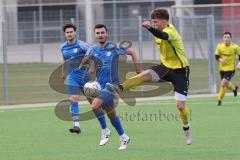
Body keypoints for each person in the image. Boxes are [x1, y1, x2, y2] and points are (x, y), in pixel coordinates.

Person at [107, 8, 192, 145]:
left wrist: (149, 28)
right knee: (144, 75)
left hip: (180, 71)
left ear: (164, 21)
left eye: (156, 21)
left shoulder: (171, 32)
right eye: (153, 21)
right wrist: (152, 28)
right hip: (165, 67)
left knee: (181, 106)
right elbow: (159, 35)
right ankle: (119, 88)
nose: (154, 23)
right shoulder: (159, 31)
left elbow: (163, 36)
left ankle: (186, 129)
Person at [83, 24, 141, 150]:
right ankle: (124, 136)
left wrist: (138, 70)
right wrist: (90, 71)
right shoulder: (92, 50)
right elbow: (91, 65)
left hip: (112, 85)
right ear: (95, 35)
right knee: (111, 114)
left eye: (102, 32)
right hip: (101, 85)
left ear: (106, 33)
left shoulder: (114, 48)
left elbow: (132, 52)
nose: (100, 35)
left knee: (94, 105)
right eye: (97, 33)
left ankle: (104, 130)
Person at [60, 23, 91, 134]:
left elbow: (92, 53)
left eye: (71, 32)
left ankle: (105, 121)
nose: (69, 34)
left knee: (93, 102)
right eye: (67, 32)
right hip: (72, 76)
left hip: (85, 76)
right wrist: (63, 73)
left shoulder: (82, 45)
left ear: (75, 32)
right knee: (73, 99)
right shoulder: (63, 47)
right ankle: (76, 125)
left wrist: (88, 64)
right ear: (65, 34)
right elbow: (64, 60)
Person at [215, 32, 240, 106]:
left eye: (228, 37)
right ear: (223, 39)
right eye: (225, 37)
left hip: (230, 69)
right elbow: (216, 56)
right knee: (225, 83)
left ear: (231, 38)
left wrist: (239, 64)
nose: (226, 39)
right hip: (222, 69)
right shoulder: (219, 46)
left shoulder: (235, 47)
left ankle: (219, 100)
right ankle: (234, 89)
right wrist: (220, 59)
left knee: (223, 83)